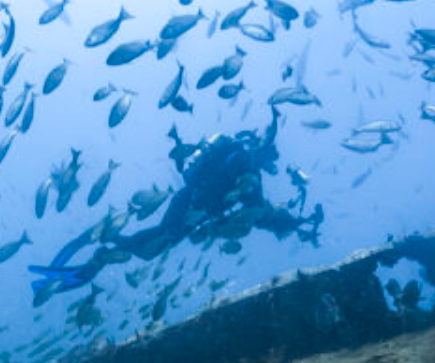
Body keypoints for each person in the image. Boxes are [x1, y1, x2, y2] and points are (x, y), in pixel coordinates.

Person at [29, 116, 322, 298]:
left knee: (156, 240)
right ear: (263, 154)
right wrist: (290, 221)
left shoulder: (237, 159)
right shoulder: (247, 167)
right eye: (269, 161)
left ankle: (101, 243)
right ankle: (102, 243)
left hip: (189, 199)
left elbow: (245, 206)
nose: (269, 168)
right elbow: (256, 210)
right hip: (193, 206)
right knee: (155, 244)